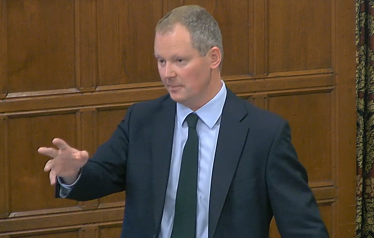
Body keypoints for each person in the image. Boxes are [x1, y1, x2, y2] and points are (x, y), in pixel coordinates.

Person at [38, 5, 329, 238]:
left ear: (213, 57)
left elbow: (303, 227)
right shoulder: (142, 120)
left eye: (179, 61)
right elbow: (99, 178)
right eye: (161, 61)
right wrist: (73, 173)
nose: (167, 74)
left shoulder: (265, 134)